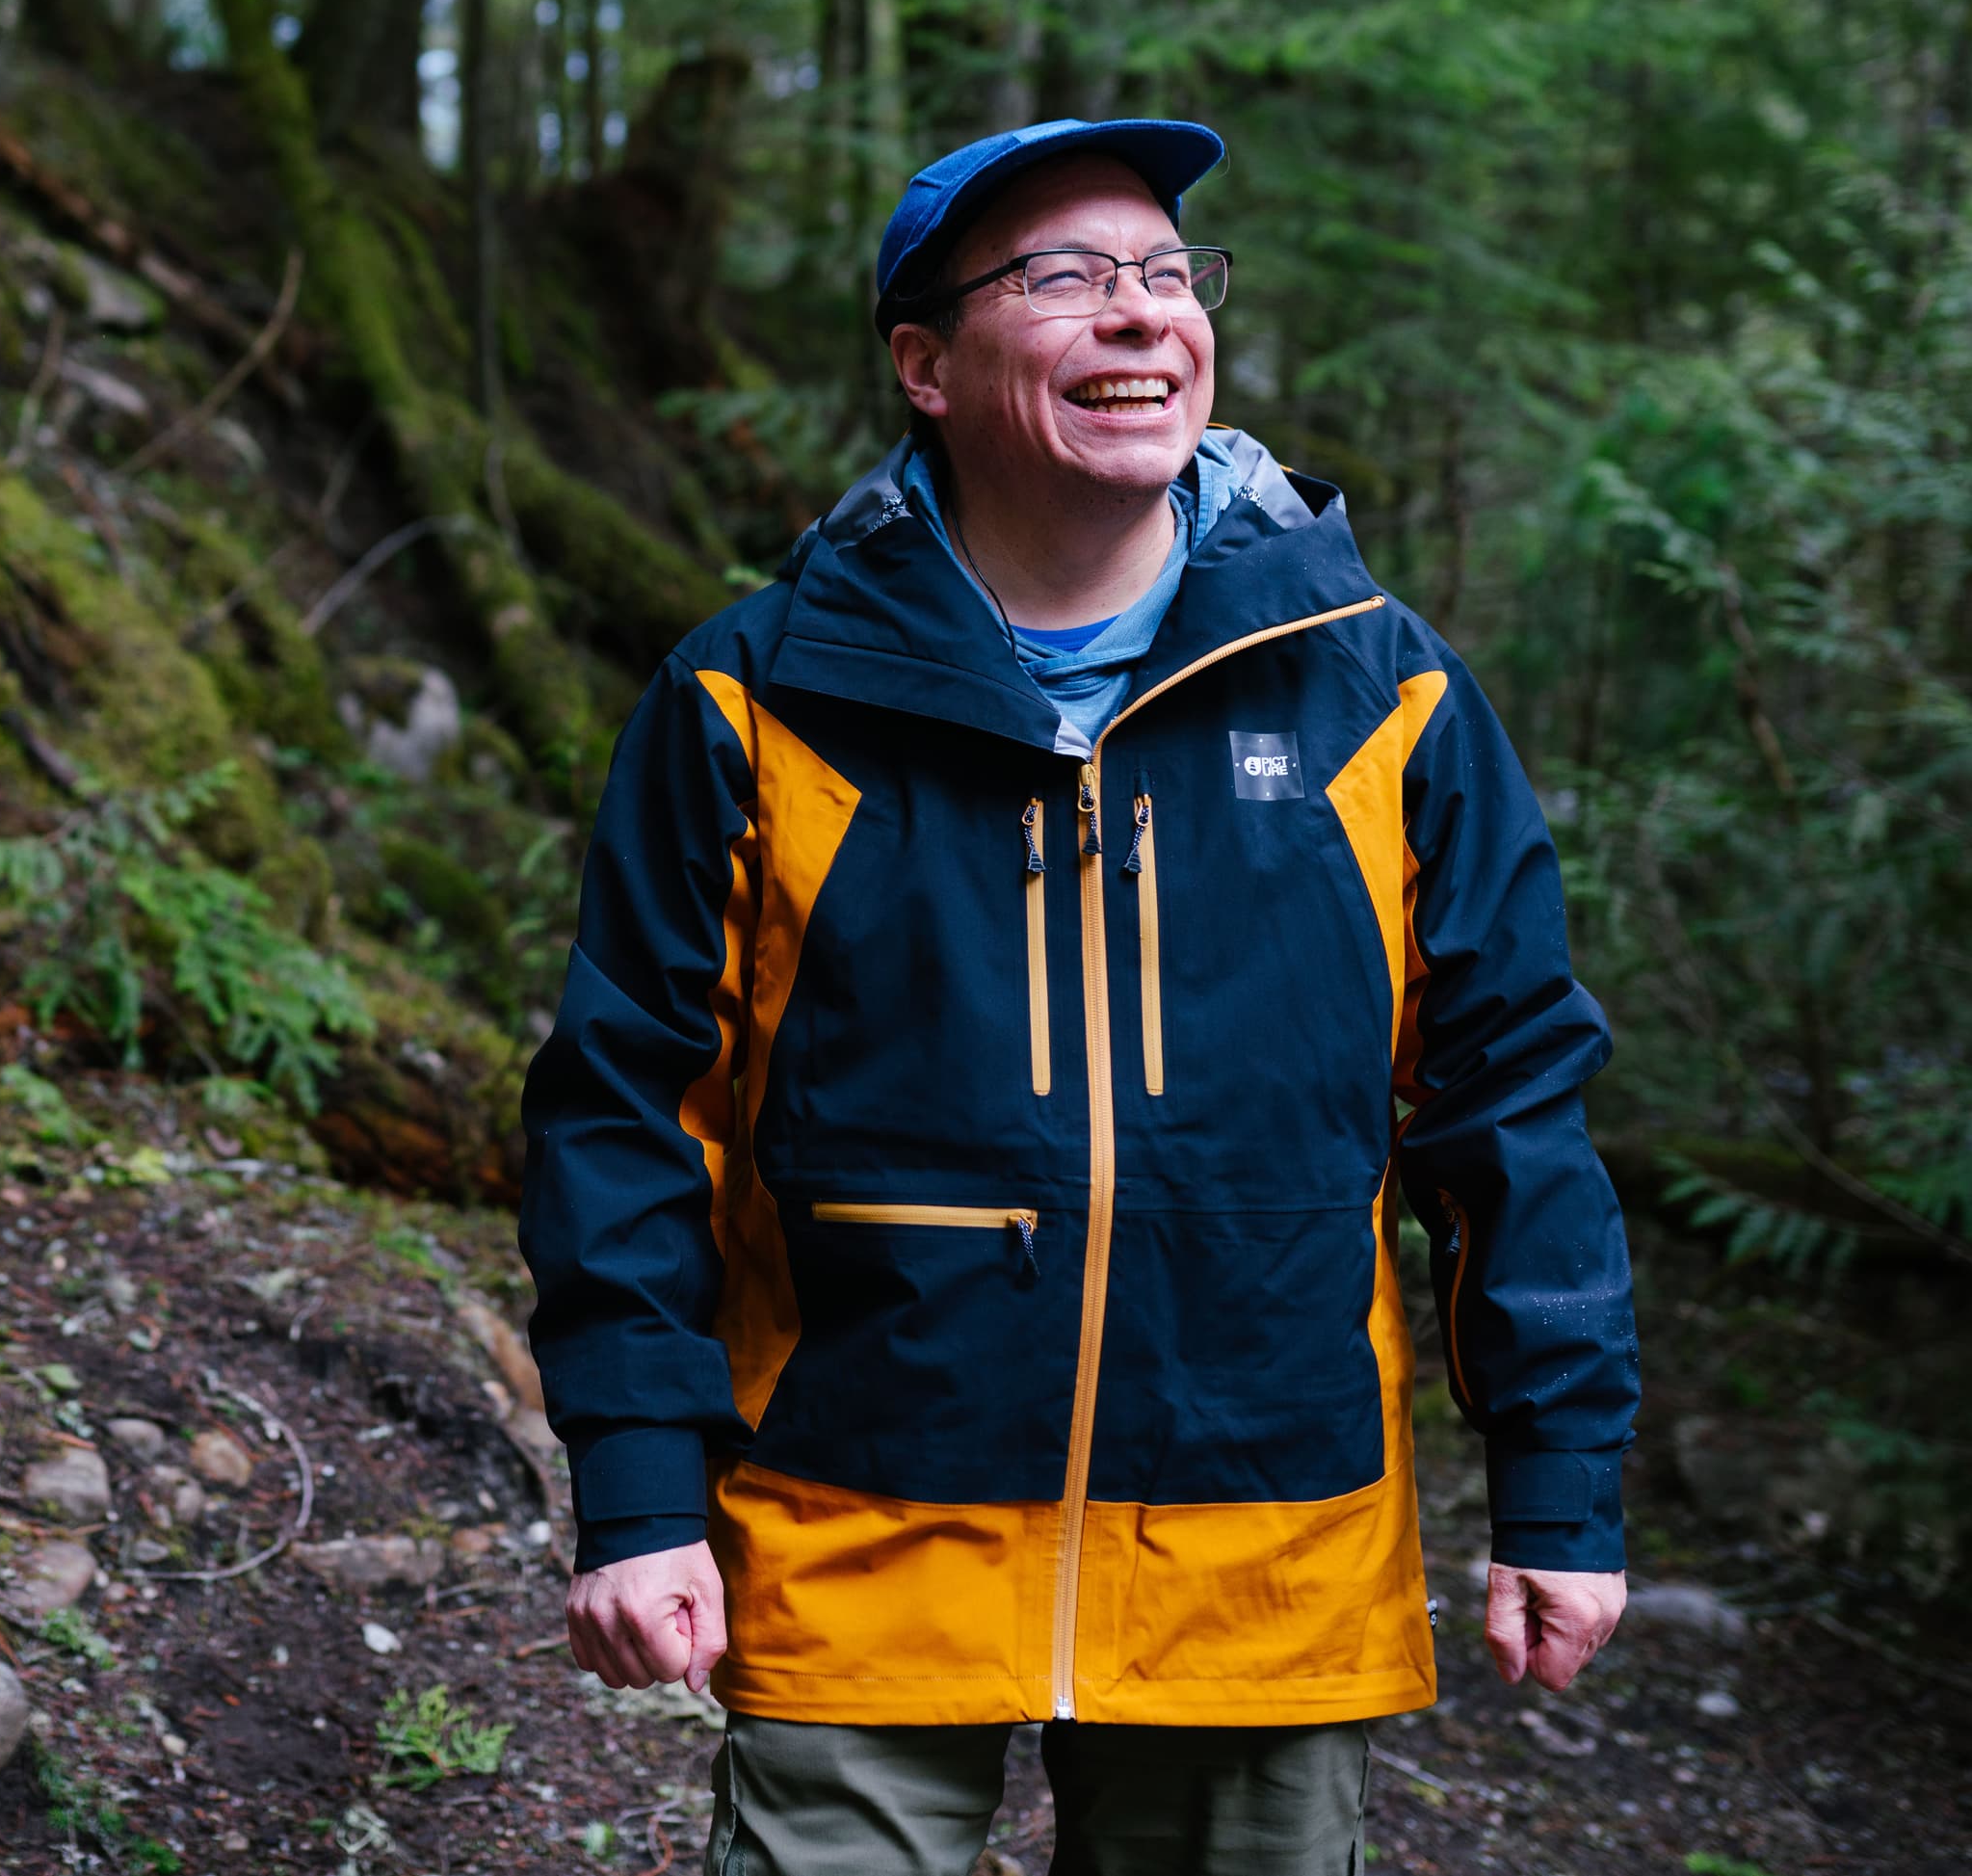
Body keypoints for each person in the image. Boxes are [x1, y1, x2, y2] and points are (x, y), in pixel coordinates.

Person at [517, 119, 1639, 1876]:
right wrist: (639, 1495)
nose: (1140, 316)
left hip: (1261, 1547)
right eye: (1062, 278)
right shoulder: (753, 699)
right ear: (925, 365)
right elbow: (626, 1111)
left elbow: (1507, 1106)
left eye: (1168, 275)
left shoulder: (1380, 694)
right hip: (855, 1518)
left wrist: (1560, 1479)